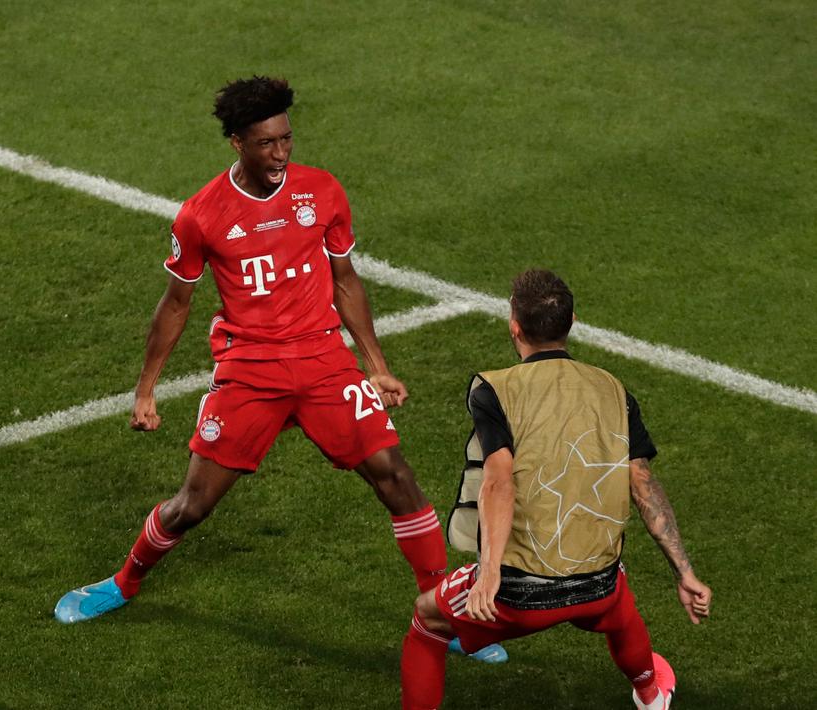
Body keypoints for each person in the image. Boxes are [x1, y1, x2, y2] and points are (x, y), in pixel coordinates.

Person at [54, 77, 502, 665]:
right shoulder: (202, 214)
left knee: (396, 476)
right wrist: (146, 390)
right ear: (237, 142)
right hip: (250, 370)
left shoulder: (322, 191)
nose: (281, 153)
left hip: (323, 361)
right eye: (266, 143)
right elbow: (176, 304)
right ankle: (124, 581)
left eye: (286, 139)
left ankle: (444, 613)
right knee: (193, 504)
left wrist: (377, 366)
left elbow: (346, 281)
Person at [399, 270, 713, 709]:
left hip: (519, 594)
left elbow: (498, 481)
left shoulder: (495, 391)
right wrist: (685, 573)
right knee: (619, 602)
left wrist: (489, 571)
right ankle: (650, 692)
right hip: (598, 587)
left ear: (514, 327)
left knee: (427, 619)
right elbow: (644, 485)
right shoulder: (614, 390)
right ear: (572, 323)